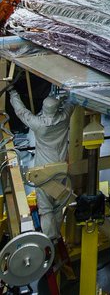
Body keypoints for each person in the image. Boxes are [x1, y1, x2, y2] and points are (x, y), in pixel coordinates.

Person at [11, 90, 73, 240]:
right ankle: (56, 236)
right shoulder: (64, 118)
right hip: (61, 168)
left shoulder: (38, 125)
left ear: (44, 109)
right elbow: (73, 103)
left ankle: (49, 240)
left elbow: (21, 112)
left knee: (45, 208)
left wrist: (13, 94)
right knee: (58, 203)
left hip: (44, 171)